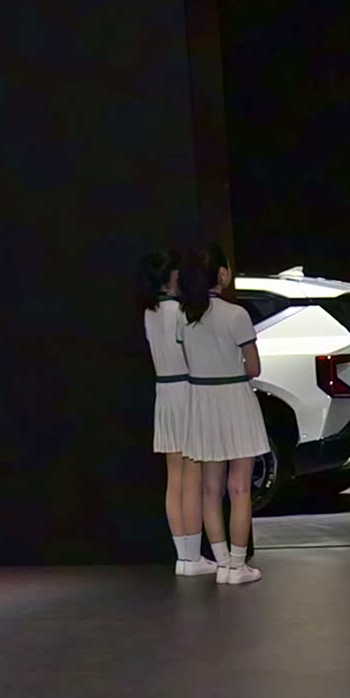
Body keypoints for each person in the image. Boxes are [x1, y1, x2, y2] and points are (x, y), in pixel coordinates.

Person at [178, 245, 269, 585]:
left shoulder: (184, 317)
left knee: (210, 489)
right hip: (235, 400)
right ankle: (237, 566)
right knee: (240, 488)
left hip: (202, 402)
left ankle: (222, 563)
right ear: (221, 274)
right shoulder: (236, 315)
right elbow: (254, 367)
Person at [139, 250, 211, 576]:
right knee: (192, 477)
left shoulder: (150, 313)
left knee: (175, 478)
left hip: (165, 394)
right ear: (171, 275)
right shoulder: (180, 313)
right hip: (185, 391)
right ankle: (192, 557)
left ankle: (184, 557)